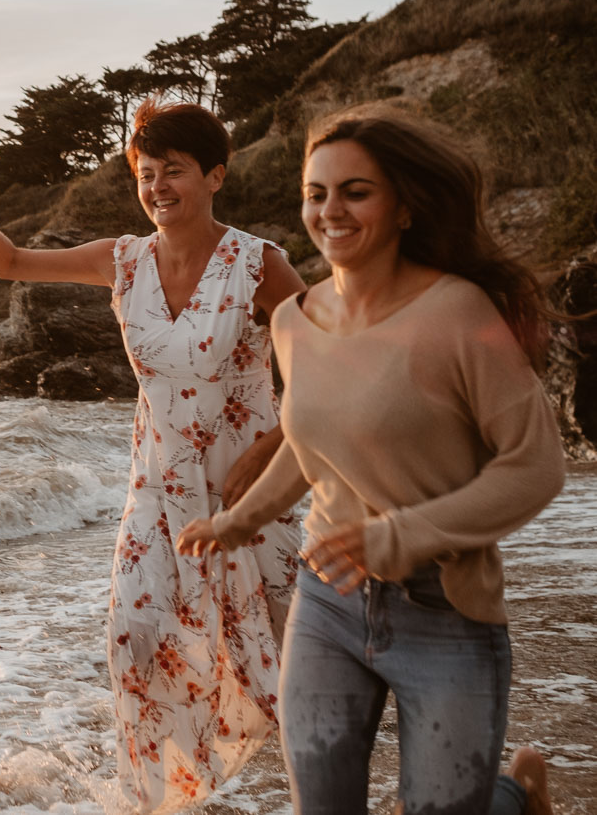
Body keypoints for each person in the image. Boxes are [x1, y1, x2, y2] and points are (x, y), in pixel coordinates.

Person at [0, 98, 307, 811]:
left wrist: (280, 443)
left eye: (176, 172)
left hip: (252, 498)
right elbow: (9, 262)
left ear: (216, 175)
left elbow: (328, 363)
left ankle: (316, 791)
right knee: (134, 647)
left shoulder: (259, 265)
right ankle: (156, 801)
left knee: (287, 670)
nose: (158, 187)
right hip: (156, 495)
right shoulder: (123, 261)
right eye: (147, 172)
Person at [175, 110, 561, 815]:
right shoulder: (293, 320)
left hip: (445, 609)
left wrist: (397, 536)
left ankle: (517, 791)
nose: (331, 211)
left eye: (356, 191)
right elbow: (312, 438)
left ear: (404, 205)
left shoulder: (458, 313)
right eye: (316, 193)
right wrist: (238, 520)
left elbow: (534, 468)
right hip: (328, 600)